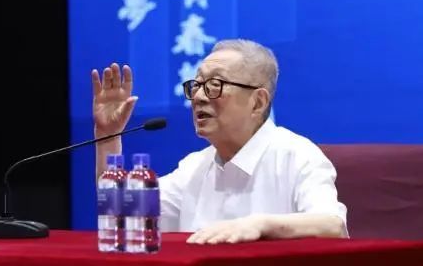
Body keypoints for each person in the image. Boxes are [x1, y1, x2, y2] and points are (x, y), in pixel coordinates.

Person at [91, 39, 347, 244]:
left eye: (215, 84)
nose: (199, 97)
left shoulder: (297, 155)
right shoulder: (194, 168)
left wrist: (260, 225)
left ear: (257, 102)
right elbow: (122, 212)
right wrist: (107, 135)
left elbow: (333, 226)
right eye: (197, 84)